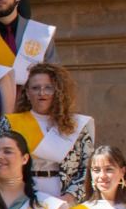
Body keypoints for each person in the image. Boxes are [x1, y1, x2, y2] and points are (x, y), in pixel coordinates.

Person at [10, 63, 94, 201]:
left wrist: (70, 196)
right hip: (22, 195)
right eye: (35, 88)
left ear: (58, 92)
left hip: (64, 196)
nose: (42, 93)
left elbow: (87, 166)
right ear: (27, 93)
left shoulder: (76, 124)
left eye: (48, 88)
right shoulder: (11, 123)